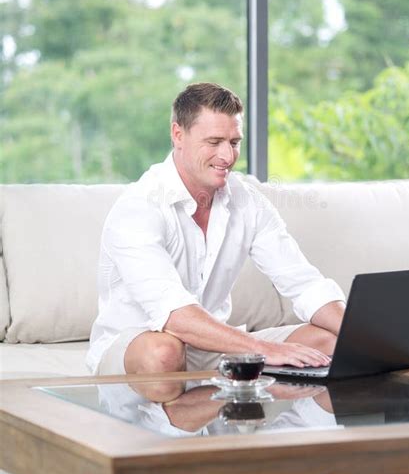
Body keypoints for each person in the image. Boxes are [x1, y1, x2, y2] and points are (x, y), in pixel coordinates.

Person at [86, 82, 346, 377]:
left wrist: (367, 338)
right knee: (164, 351)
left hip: (211, 349)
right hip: (136, 345)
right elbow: (174, 315)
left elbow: (305, 285)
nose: (227, 156)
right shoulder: (139, 206)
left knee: (332, 342)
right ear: (178, 134)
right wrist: (264, 349)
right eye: (214, 142)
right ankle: (203, 417)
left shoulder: (247, 201)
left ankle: (269, 416)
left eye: (234, 142)